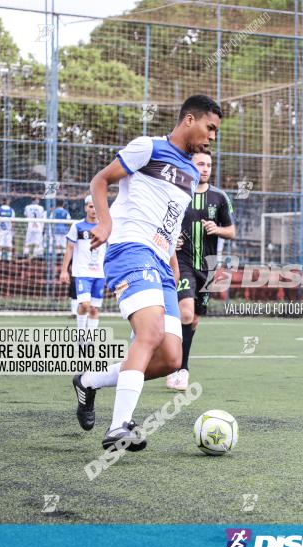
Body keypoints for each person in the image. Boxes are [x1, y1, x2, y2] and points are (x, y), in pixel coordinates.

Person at [72, 94, 222, 452]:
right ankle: (118, 427)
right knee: (150, 331)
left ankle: (89, 382)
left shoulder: (188, 173)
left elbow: (169, 225)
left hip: (162, 263)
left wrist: (173, 271)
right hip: (129, 249)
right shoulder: (147, 147)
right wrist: (105, 223)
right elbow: (101, 180)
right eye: (210, 127)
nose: (212, 136)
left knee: (171, 358)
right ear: (189, 119)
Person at [166, 148, 235, 391]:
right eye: (200, 164)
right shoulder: (177, 194)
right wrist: (171, 240)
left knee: (194, 319)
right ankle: (179, 368)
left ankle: (179, 363)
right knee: (185, 313)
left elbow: (231, 230)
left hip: (208, 265)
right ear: (190, 166)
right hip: (182, 262)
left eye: (208, 164)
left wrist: (217, 229)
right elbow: (163, 225)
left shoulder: (219, 197)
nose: (205, 168)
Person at [60, 195, 107, 337]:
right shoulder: (77, 226)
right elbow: (69, 249)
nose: (94, 210)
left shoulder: (105, 227)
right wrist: (64, 271)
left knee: (94, 309)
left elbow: (111, 249)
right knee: (85, 304)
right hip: (82, 272)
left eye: (96, 207)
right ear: (86, 208)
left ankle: (90, 340)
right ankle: (81, 334)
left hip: (100, 273)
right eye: (91, 206)